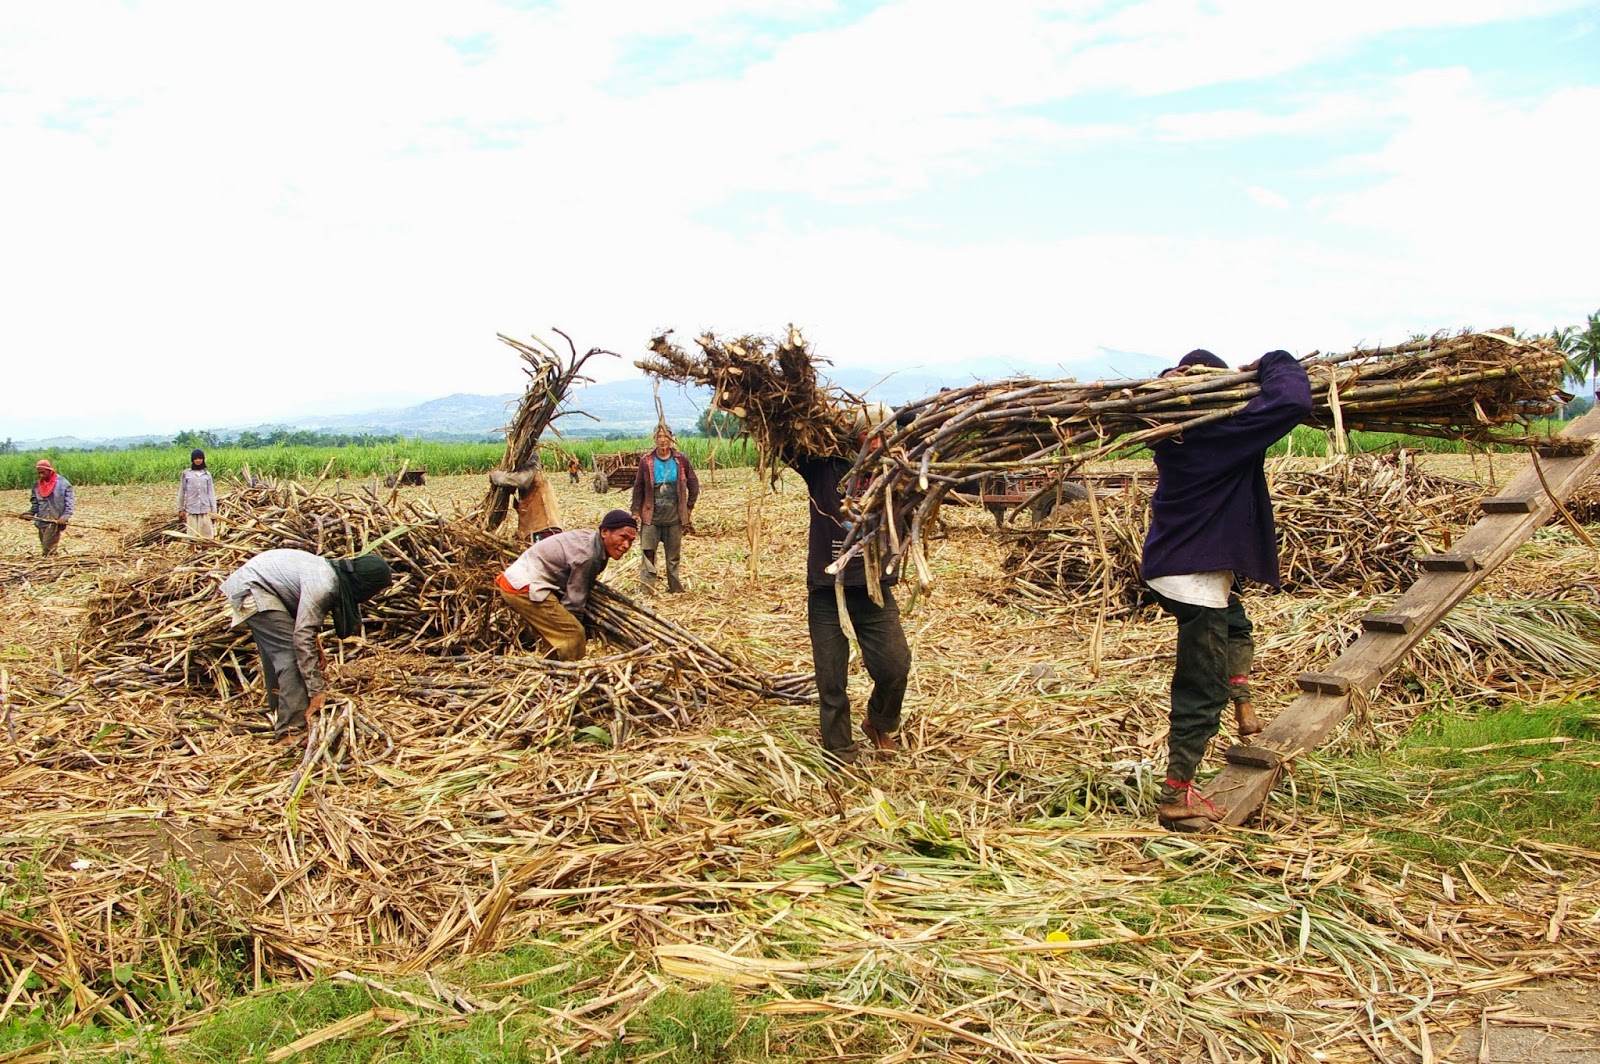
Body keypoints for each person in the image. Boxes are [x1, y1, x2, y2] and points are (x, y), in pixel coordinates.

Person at [1141, 349, 1311, 826]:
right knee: (1201, 687)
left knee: (1236, 626)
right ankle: (1176, 797)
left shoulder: (1176, 434)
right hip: (1192, 579)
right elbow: (1293, 401)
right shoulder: (1219, 435)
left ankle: (1245, 709)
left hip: (1177, 565)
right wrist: (1274, 360)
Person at [786, 403, 912, 766]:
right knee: (831, 678)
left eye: (885, 436)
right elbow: (785, 441)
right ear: (854, 436)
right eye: (870, 436)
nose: (877, 444)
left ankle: (879, 722)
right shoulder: (823, 467)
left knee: (895, 666)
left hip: (873, 588)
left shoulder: (898, 471)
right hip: (827, 590)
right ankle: (840, 749)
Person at [220, 549, 393, 741]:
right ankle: (289, 730)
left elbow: (303, 619)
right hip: (254, 589)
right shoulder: (324, 585)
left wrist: (316, 646)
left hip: (256, 585)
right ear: (365, 585)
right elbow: (301, 638)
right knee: (291, 654)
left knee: (281, 651)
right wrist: (316, 690)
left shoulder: (329, 572)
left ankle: (279, 709)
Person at [496, 509, 639, 660]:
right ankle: (568, 671)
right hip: (523, 587)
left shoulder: (592, 540)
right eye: (623, 537)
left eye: (631, 541)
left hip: (520, 579)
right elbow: (574, 602)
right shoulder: (588, 556)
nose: (626, 545)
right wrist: (577, 624)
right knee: (572, 634)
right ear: (604, 532)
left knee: (559, 634)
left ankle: (549, 666)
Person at [629, 425, 700, 594]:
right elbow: (638, 487)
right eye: (659, 436)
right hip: (651, 518)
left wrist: (689, 506)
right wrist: (635, 511)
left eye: (666, 436)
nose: (662, 440)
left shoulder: (680, 460)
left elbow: (693, 483)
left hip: (674, 518)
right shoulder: (647, 461)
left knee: (673, 557)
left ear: (671, 439)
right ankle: (647, 590)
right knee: (648, 554)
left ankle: (675, 589)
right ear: (654, 439)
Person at [28, 459, 75, 556]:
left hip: (55, 521)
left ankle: (50, 561)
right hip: (41, 520)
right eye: (39, 473)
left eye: (43, 472)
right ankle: (53, 560)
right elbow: (35, 504)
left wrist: (64, 517)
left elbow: (69, 503)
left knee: (47, 548)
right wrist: (30, 513)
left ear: (50, 470)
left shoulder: (63, 484)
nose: (41, 475)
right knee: (48, 548)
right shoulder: (37, 485)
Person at [177, 448, 218, 539]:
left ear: (203, 459)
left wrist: (214, 510)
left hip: (205, 508)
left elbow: (211, 493)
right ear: (192, 460)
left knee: (206, 535)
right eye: (196, 458)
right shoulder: (186, 473)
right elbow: (182, 491)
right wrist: (180, 509)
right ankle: (192, 548)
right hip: (191, 509)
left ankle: (204, 548)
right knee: (192, 535)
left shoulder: (207, 474)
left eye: (200, 458)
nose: (198, 460)